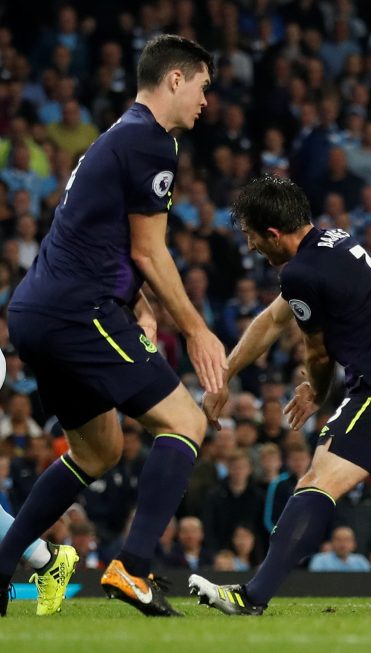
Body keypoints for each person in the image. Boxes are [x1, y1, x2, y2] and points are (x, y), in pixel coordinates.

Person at [188, 176, 371, 615]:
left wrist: (315, 391)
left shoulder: (300, 272)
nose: (251, 246)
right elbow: (272, 320)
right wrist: (224, 376)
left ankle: (252, 597)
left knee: (316, 482)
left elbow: (318, 353)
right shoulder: (334, 239)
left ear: (273, 233)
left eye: (252, 236)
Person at [0, 35, 223, 618]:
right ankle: (133, 566)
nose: (206, 100)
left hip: (35, 313)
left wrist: (140, 302)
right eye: (203, 86)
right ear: (175, 79)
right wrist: (196, 330)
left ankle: (1, 563)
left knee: (99, 451)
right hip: (79, 312)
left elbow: (110, 240)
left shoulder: (119, 135)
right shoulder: (153, 141)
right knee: (186, 422)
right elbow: (149, 251)